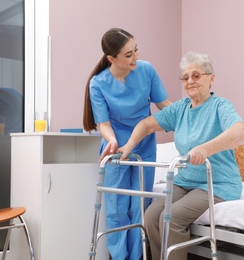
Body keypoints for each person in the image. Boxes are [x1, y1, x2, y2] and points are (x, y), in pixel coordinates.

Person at [103, 51, 244, 260]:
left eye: (196, 76)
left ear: (211, 78)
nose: (190, 81)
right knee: (152, 215)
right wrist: (128, 146)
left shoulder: (220, 106)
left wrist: (205, 149)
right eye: (185, 77)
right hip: (186, 181)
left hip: (217, 183)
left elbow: (239, 132)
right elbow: (146, 125)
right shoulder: (179, 109)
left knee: (173, 217)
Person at [83, 28, 171, 260]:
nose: (135, 58)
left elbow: (164, 105)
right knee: (116, 209)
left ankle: (138, 256)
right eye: (128, 55)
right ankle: (119, 257)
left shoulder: (146, 70)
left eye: (136, 50)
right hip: (116, 149)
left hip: (144, 145)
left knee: (140, 206)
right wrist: (111, 141)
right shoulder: (98, 83)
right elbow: (103, 123)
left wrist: (188, 117)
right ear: (112, 59)